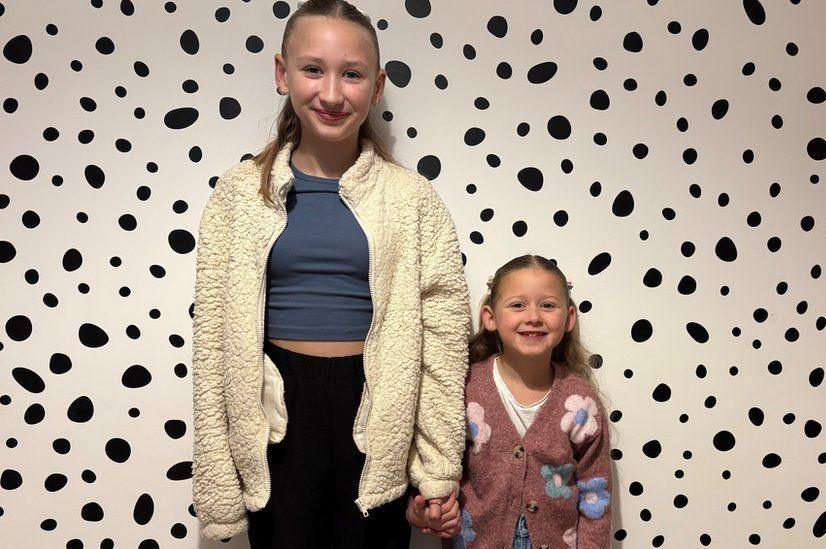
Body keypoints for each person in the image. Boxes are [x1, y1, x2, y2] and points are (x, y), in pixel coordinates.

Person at [189, 1, 470, 547]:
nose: (333, 93)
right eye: (313, 69)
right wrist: (219, 481)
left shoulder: (412, 199)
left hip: (378, 409)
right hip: (276, 414)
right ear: (281, 74)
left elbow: (443, 339)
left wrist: (437, 470)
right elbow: (213, 347)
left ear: (379, 85)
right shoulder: (238, 194)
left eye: (353, 74)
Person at [412, 255, 613, 547]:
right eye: (518, 305)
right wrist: (423, 509)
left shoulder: (580, 401)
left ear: (569, 318)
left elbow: (597, 492)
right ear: (490, 317)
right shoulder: (464, 389)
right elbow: (433, 462)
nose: (533, 316)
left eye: (547, 305)